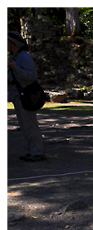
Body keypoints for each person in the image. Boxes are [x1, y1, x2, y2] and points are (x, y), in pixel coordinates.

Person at [8, 30, 45, 162]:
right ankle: (32, 150)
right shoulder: (15, 57)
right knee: (25, 125)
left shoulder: (24, 57)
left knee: (30, 125)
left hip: (26, 96)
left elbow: (32, 76)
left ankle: (37, 152)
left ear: (13, 43)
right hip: (18, 96)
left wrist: (15, 68)